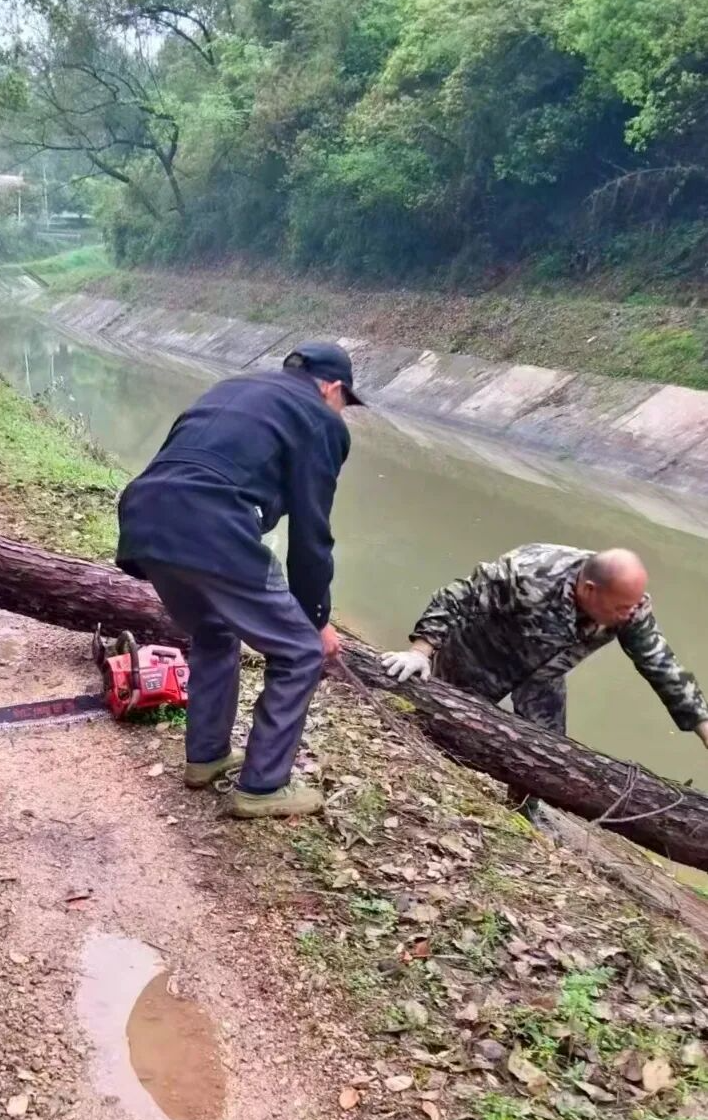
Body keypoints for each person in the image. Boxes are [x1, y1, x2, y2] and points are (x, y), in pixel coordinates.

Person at [116, 342, 361, 818]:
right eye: (346, 403)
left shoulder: (234, 388)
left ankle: (206, 757)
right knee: (299, 652)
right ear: (332, 388)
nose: (343, 414)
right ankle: (264, 786)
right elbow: (312, 532)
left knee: (214, 630)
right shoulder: (320, 418)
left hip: (144, 514)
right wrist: (316, 619)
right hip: (212, 521)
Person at [381, 543, 708, 815]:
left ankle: (519, 817)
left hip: (543, 678)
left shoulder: (629, 607)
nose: (630, 615)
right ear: (589, 590)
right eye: (622, 608)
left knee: (545, 756)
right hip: (477, 658)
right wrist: (419, 652)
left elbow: (661, 665)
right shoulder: (531, 573)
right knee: (436, 731)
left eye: (634, 606)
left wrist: (705, 729)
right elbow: (457, 596)